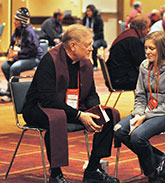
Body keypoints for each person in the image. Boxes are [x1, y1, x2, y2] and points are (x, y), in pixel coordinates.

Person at [22, 24, 120, 183]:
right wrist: (79, 115)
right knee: (57, 119)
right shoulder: (50, 60)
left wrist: (94, 111)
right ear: (73, 46)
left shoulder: (85, 62)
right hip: (39, 108)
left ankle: (93, 169)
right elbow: (48, 99)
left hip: (72, 109)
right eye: (87, 45)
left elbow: (91, 93)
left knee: (108, 115)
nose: (91, 49)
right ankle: (56, 174)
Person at [114, 31, 165, 183]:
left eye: (152, 48)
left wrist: (145, 116)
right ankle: (162, 162)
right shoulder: (144, 65)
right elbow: (140, 95)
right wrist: (138, 113)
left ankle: (152, 175)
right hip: (148, 111)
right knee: (119, 130)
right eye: (146, 48)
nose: (147, 52)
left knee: (137, 136)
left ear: (162, 49)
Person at [0, 7, 42, 102]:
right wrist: (10, 54)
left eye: (17, 20)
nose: (14, 21)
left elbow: (33, 50)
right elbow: (12, 45)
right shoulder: (17, 32)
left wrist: (18, 54)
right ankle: (14, 90)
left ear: (22, 21)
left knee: (14, 68)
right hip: (22, 57)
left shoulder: (29, 32)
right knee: (5, 66)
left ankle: (11, 94)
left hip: (33, 58)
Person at [106, 15, 150, 90]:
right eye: (147, 28)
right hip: (121, 79)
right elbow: (141, 63)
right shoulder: (133, 40)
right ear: (142, 28)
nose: (148, 31)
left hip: (115, 75)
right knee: (153, 82)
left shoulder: (127, 34)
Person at [82, 4, 107, 71]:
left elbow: (100, 32)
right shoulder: (85, 19)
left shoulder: (98, 19)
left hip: (98, 38)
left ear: (93, 11)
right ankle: (83, 63)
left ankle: (95, 64)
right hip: (87, 37)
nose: (88, 13)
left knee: (94, 46)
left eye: (89, 11)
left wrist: (92, 38)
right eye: (87, 11)